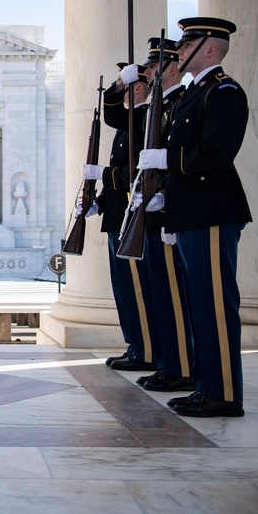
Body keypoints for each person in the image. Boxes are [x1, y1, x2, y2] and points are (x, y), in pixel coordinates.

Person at [138, 16, 252, 417]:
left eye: (187, 45)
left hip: (212, 211)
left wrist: (167, 159)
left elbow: (215, 155)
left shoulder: (223, 92)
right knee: (200, 304)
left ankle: (223, 394)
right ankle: (207, 386)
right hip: (190, 213)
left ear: (209, 48)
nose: (180, 51)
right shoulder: (196, 93)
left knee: (216, 305)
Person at [124, 38, 196, 394]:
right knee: (159, 295)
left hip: (168, 211)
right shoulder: (160, 106)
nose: (147, 73)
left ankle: (180, 367)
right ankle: (171, 364)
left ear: (169, 69)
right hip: (153, 210)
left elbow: (179, 158)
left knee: (172, 295)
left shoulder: (180, 102)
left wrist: (166, 200)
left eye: (152, 68)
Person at [78, 62, 155, 371]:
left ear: (139, 88)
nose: (122, 93)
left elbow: (134, 174)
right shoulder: (130, 123)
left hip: (132, 218)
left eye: (127, 86)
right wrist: (98, 204)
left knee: (136, 288)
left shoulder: (145, 121)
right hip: (117, 217)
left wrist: (103, 174)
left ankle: (145, 348)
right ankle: (136, 345)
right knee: (124, 290)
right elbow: (111, 111)